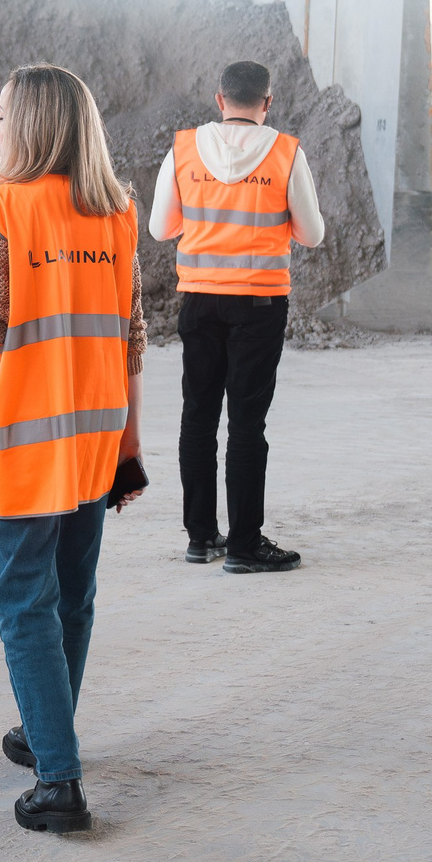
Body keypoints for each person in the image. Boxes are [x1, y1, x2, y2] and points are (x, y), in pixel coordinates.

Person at [0, 65, 145, 836]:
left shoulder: (1, 211)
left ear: (32, 128)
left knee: (25, 605)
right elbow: (132, 334)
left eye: (1, 116)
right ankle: (46, 727)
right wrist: (131, 444)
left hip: (20, 441)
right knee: (71, 595)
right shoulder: (114, 212)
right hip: (92, 435)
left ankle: (60, 779)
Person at [148, 59, 324, 573]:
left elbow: (161, 229)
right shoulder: (286, 151)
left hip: (199, 302)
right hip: (260, 304)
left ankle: (201, 538)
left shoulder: (183, 149)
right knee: (247, 424)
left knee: (197, 419)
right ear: (267, 104)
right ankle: (245, 546)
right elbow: (311, 235)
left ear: (219, 99)